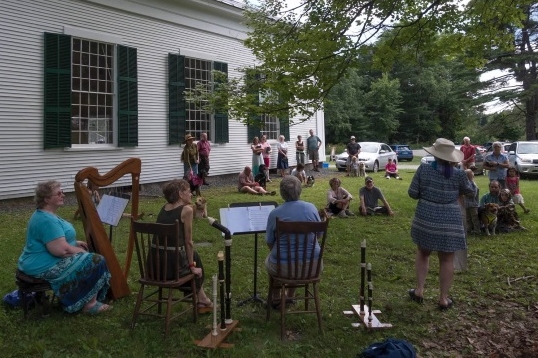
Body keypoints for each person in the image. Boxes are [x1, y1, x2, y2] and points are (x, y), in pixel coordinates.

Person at [17, 181, 112, 314]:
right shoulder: (47, 220)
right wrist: (81, 252)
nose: (63, 195)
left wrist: (74, 243)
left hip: (39, 261)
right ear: (47, 199)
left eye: (62, 192)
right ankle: (89, 305)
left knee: (89, 257)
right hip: (42, 266)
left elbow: (54, 239)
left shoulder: (46, 214)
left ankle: (84, 296)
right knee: (96, 260)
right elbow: (61, 250)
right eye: (59, 193)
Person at [408, 138, 474, 310]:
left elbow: (413, 193)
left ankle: (420, 290)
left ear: (435, 154)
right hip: (450, 219)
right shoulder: (459, 174)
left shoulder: (424, 169)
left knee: (423, 253)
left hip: (426, 217)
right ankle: (443, 299)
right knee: (447, 259)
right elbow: (470, 192)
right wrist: (469, 179)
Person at [156, 179, 213, 312]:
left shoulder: (164, 208)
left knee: (193, 256)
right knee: (194, 261)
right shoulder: (186, 210)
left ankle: (202, 298)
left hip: (156, 265)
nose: (191, 194)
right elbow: (188, 242)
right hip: (172, 269)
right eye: (188, 191)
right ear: (180, 194)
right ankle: (202, 299)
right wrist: (192, 267)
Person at [265, 175, 321, 307]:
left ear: (282, 192)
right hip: (313, 266)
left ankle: (275, 298)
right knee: (293, 260)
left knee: (274, 260)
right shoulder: (311, 208)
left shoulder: (275, 213)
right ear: (300, 190)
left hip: (283, 268)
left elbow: (269, 241)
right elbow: (319, 234)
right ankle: (290, 296)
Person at [463, 169, 481, 235]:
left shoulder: (473, 184)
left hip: (473, 205)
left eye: (467, 175)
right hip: (466, 204)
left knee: (475, 218)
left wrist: (465, 193)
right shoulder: (466, 184)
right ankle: (469, 229)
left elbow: (473, 194)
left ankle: (477, 230)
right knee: (468, 218)